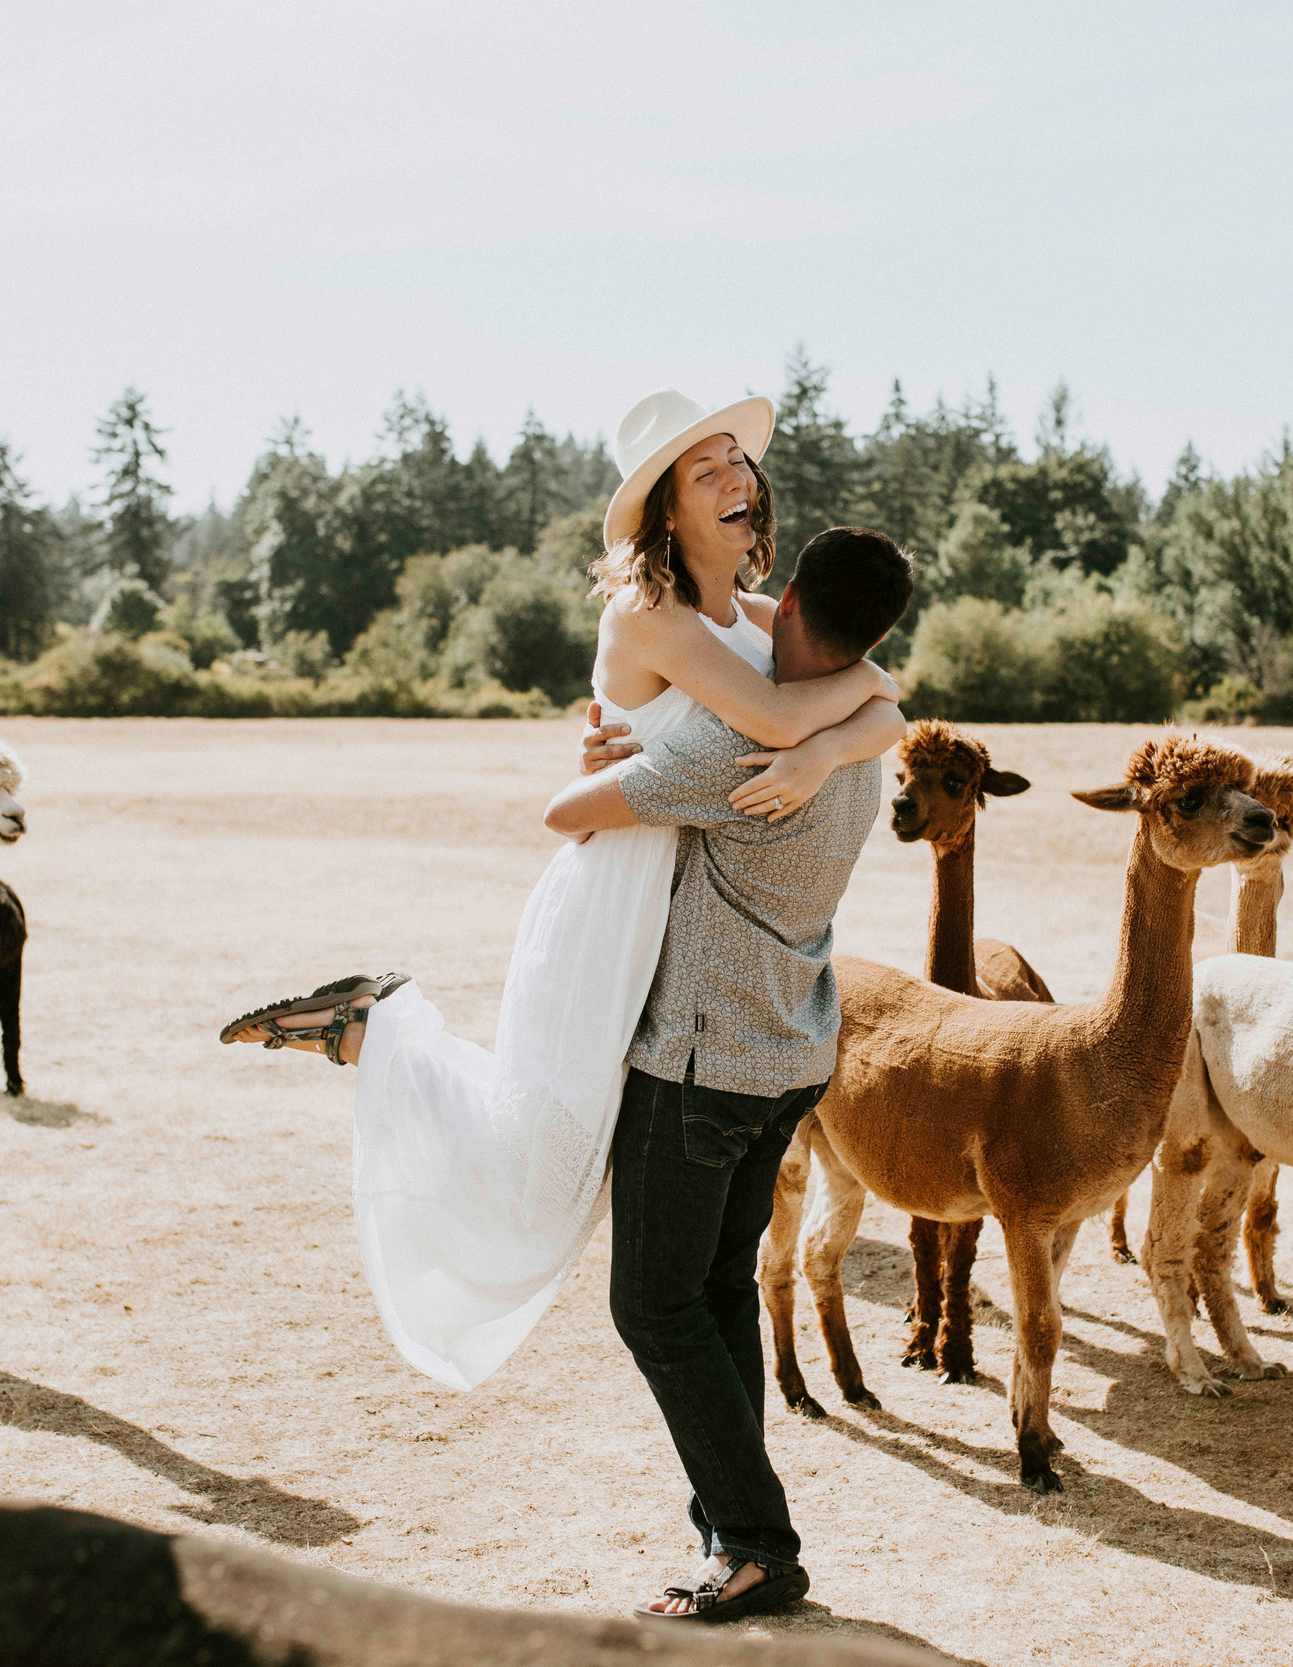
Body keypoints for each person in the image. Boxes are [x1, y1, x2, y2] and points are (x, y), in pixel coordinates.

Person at [218, 390, 902, 1401]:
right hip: (613, 899)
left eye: (736, 462)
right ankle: (380, 1025)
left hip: (681, 920)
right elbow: (775, 711)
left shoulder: (754, 617)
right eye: (704, 469)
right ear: (664, 512)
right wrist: (833, 730)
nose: (735, 480)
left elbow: (877, 689)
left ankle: (736, 1514)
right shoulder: (648, 611)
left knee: (619, 1206)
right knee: (545, 1178)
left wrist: (836, 743)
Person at [543, 524, 915, 1624]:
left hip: (701, 1059)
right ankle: (728, 1523)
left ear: (786, 595)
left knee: (651, 1303)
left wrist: (604, 764)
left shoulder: (726, 748)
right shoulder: (858, 733)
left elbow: (565, 819)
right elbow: (881, 701)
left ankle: (756, 1541)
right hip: (790, 1048)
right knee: (710, 1293)